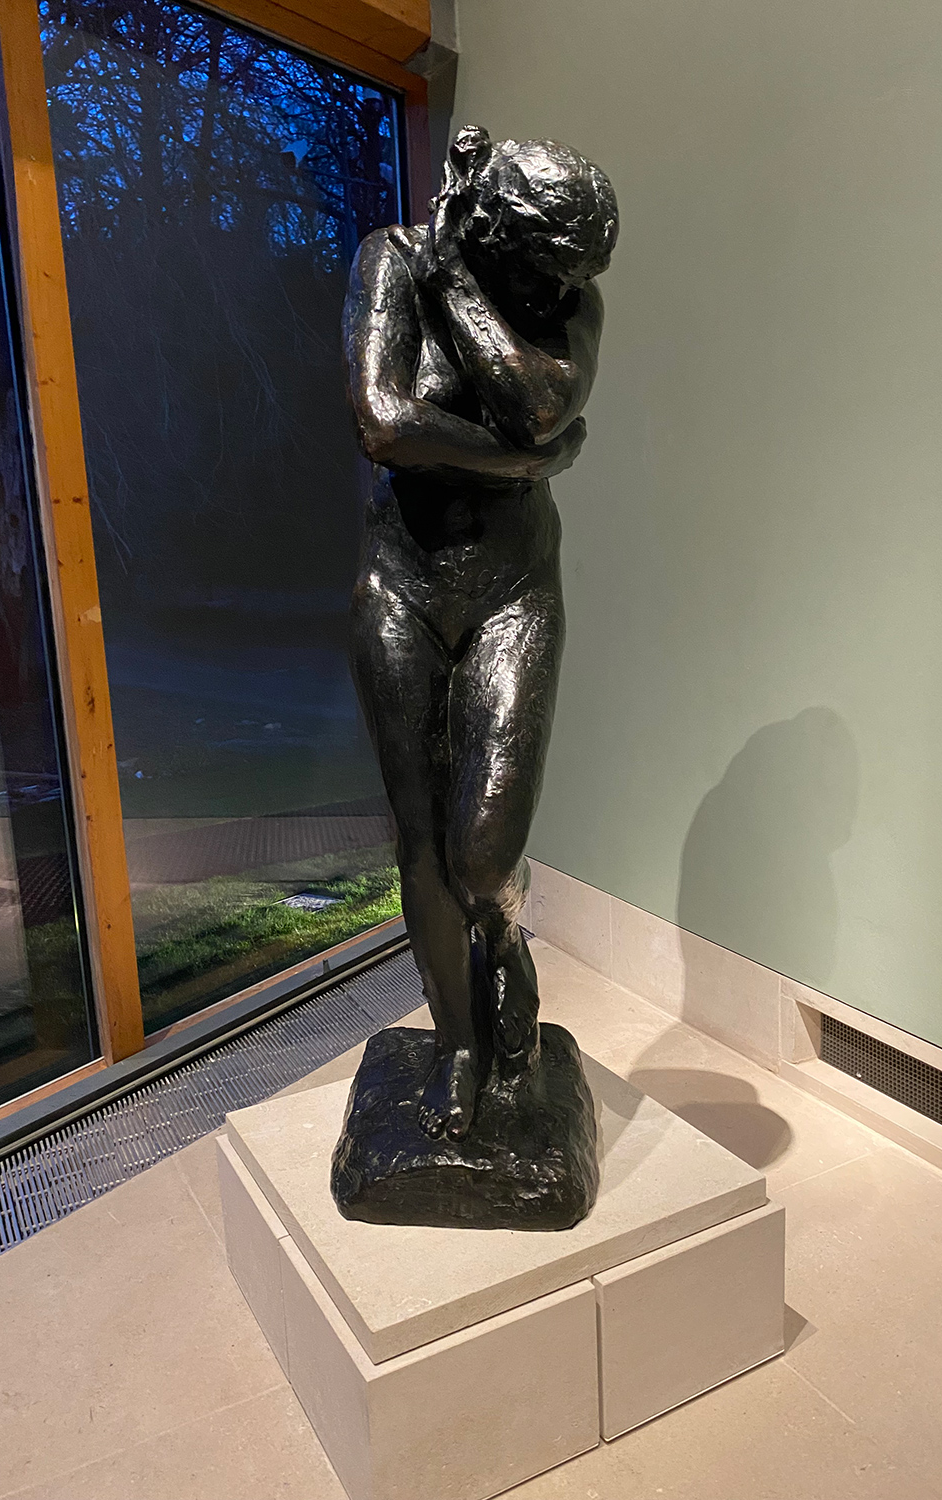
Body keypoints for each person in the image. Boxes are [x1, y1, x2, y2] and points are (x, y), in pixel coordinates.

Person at [344, 125, 618, 1141]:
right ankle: (457, 1041)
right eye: (542, 273)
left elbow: (538, 406)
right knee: (422, 839)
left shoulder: (561, 298)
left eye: (571, 281)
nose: (559, 296)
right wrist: (519, 467)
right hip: (402, 588)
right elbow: (383, 421)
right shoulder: (391, 260)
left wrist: (458, 279)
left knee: (485, 851)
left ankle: (503, 935)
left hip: (513, 590)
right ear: (494, 229)